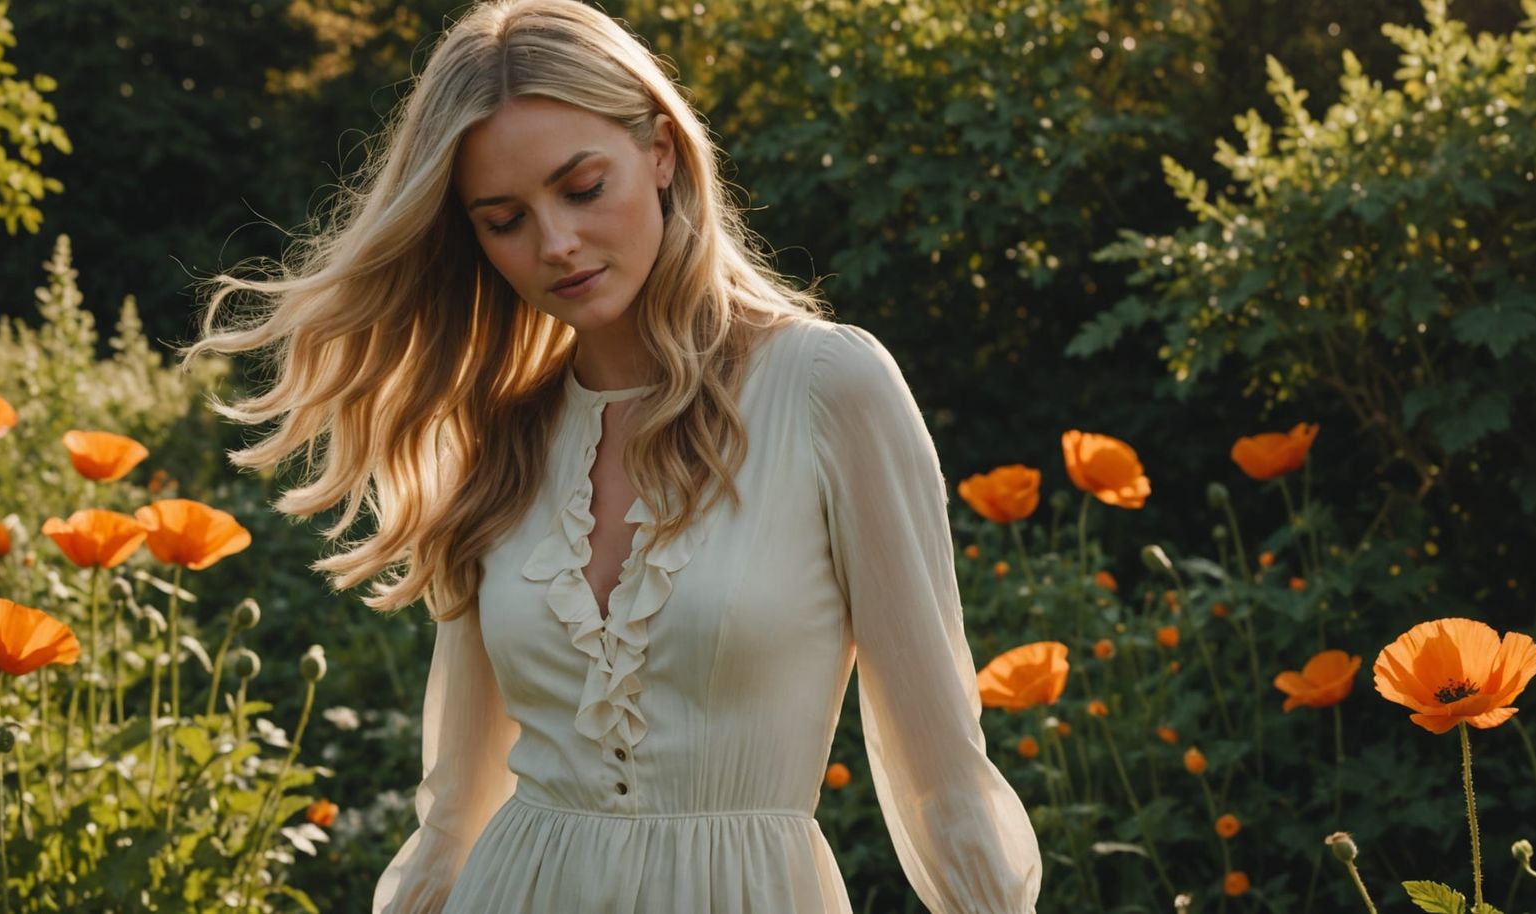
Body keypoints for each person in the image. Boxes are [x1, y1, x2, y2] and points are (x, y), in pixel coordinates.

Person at [179, 0, 1042, 911]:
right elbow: (458, 809)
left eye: (583, 188)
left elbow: (944, 781)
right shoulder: (501, 433)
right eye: (504, 220)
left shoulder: (830, 388)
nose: (555, 244)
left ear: (661, 150)